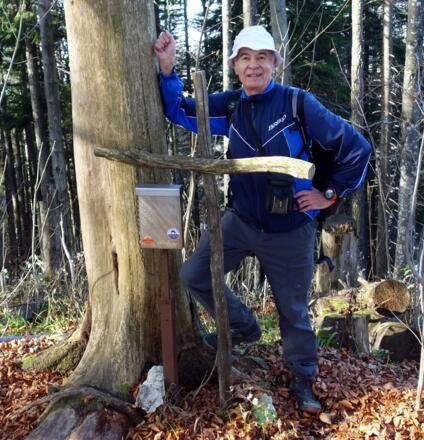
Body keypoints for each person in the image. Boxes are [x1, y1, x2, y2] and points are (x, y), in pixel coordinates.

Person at [154, 25, 371, 413]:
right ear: (235, 65)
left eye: (262, 57)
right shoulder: (231, 106)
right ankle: (244, 327)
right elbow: (181, 112)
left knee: (293, 311)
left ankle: (303, 381)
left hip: (291, 229)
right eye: (245, 58)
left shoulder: (297, 105)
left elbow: (357, 148)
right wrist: (168, 71)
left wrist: (328, 195)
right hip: (240, 221)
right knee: (194, 275)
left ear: (274, 63)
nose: (253, 65)